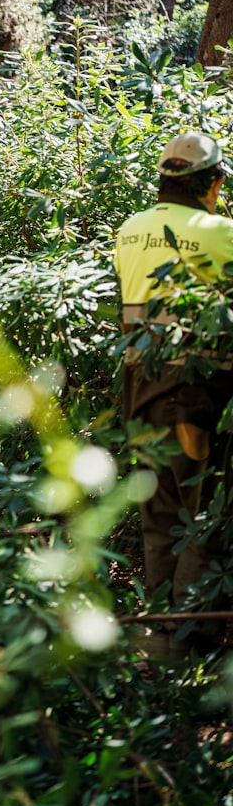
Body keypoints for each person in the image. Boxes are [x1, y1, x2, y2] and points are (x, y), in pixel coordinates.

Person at [114, 131, 233, 657]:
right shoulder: (220, 233)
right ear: (214, 182)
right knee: (200, 510)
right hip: (193, 395)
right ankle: (191, 638)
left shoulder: (129, 230)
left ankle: (158, 632)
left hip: (139, 386)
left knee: (158, 511)